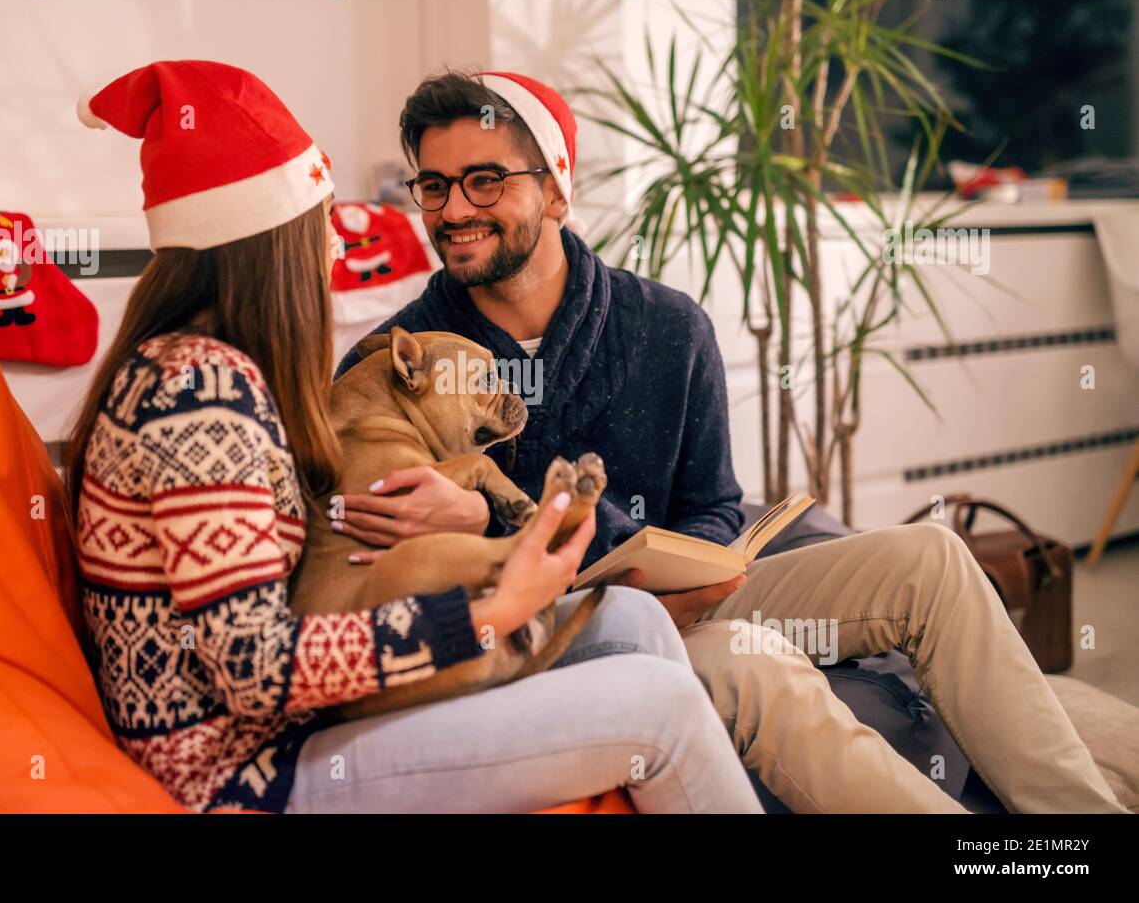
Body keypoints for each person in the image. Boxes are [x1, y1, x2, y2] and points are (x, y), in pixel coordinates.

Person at [335, 69, 1128, 813]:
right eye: (434, 186)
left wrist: (701, 571)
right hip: (554, 634)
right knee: (748, 661)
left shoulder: (668, 326)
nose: (453, 208)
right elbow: (374, 569)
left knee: (933, 558)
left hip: (687, 601)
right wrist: (496, 524)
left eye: (485, 179)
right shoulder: (397, 362)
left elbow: (712, 503)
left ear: (556, 185)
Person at [64, 60, 761, 814]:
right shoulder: (194, 392)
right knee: (660, 706)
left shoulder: (217, 375)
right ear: (267, 243)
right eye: (320, 219)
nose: (334, 244)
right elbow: (252, 668)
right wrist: (490, 613)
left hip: (305, 725)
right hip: (256, 772)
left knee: (632, 617)